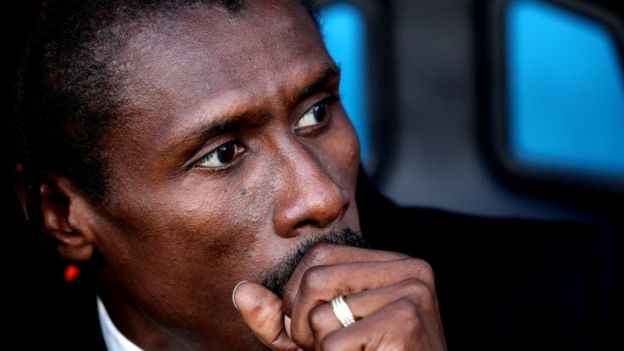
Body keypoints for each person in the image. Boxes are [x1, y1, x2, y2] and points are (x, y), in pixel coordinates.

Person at [3, 0, 620, 350]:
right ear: (65, 217)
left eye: (316, 112)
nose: (322, 195)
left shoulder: (579, 302)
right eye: (222, 154)